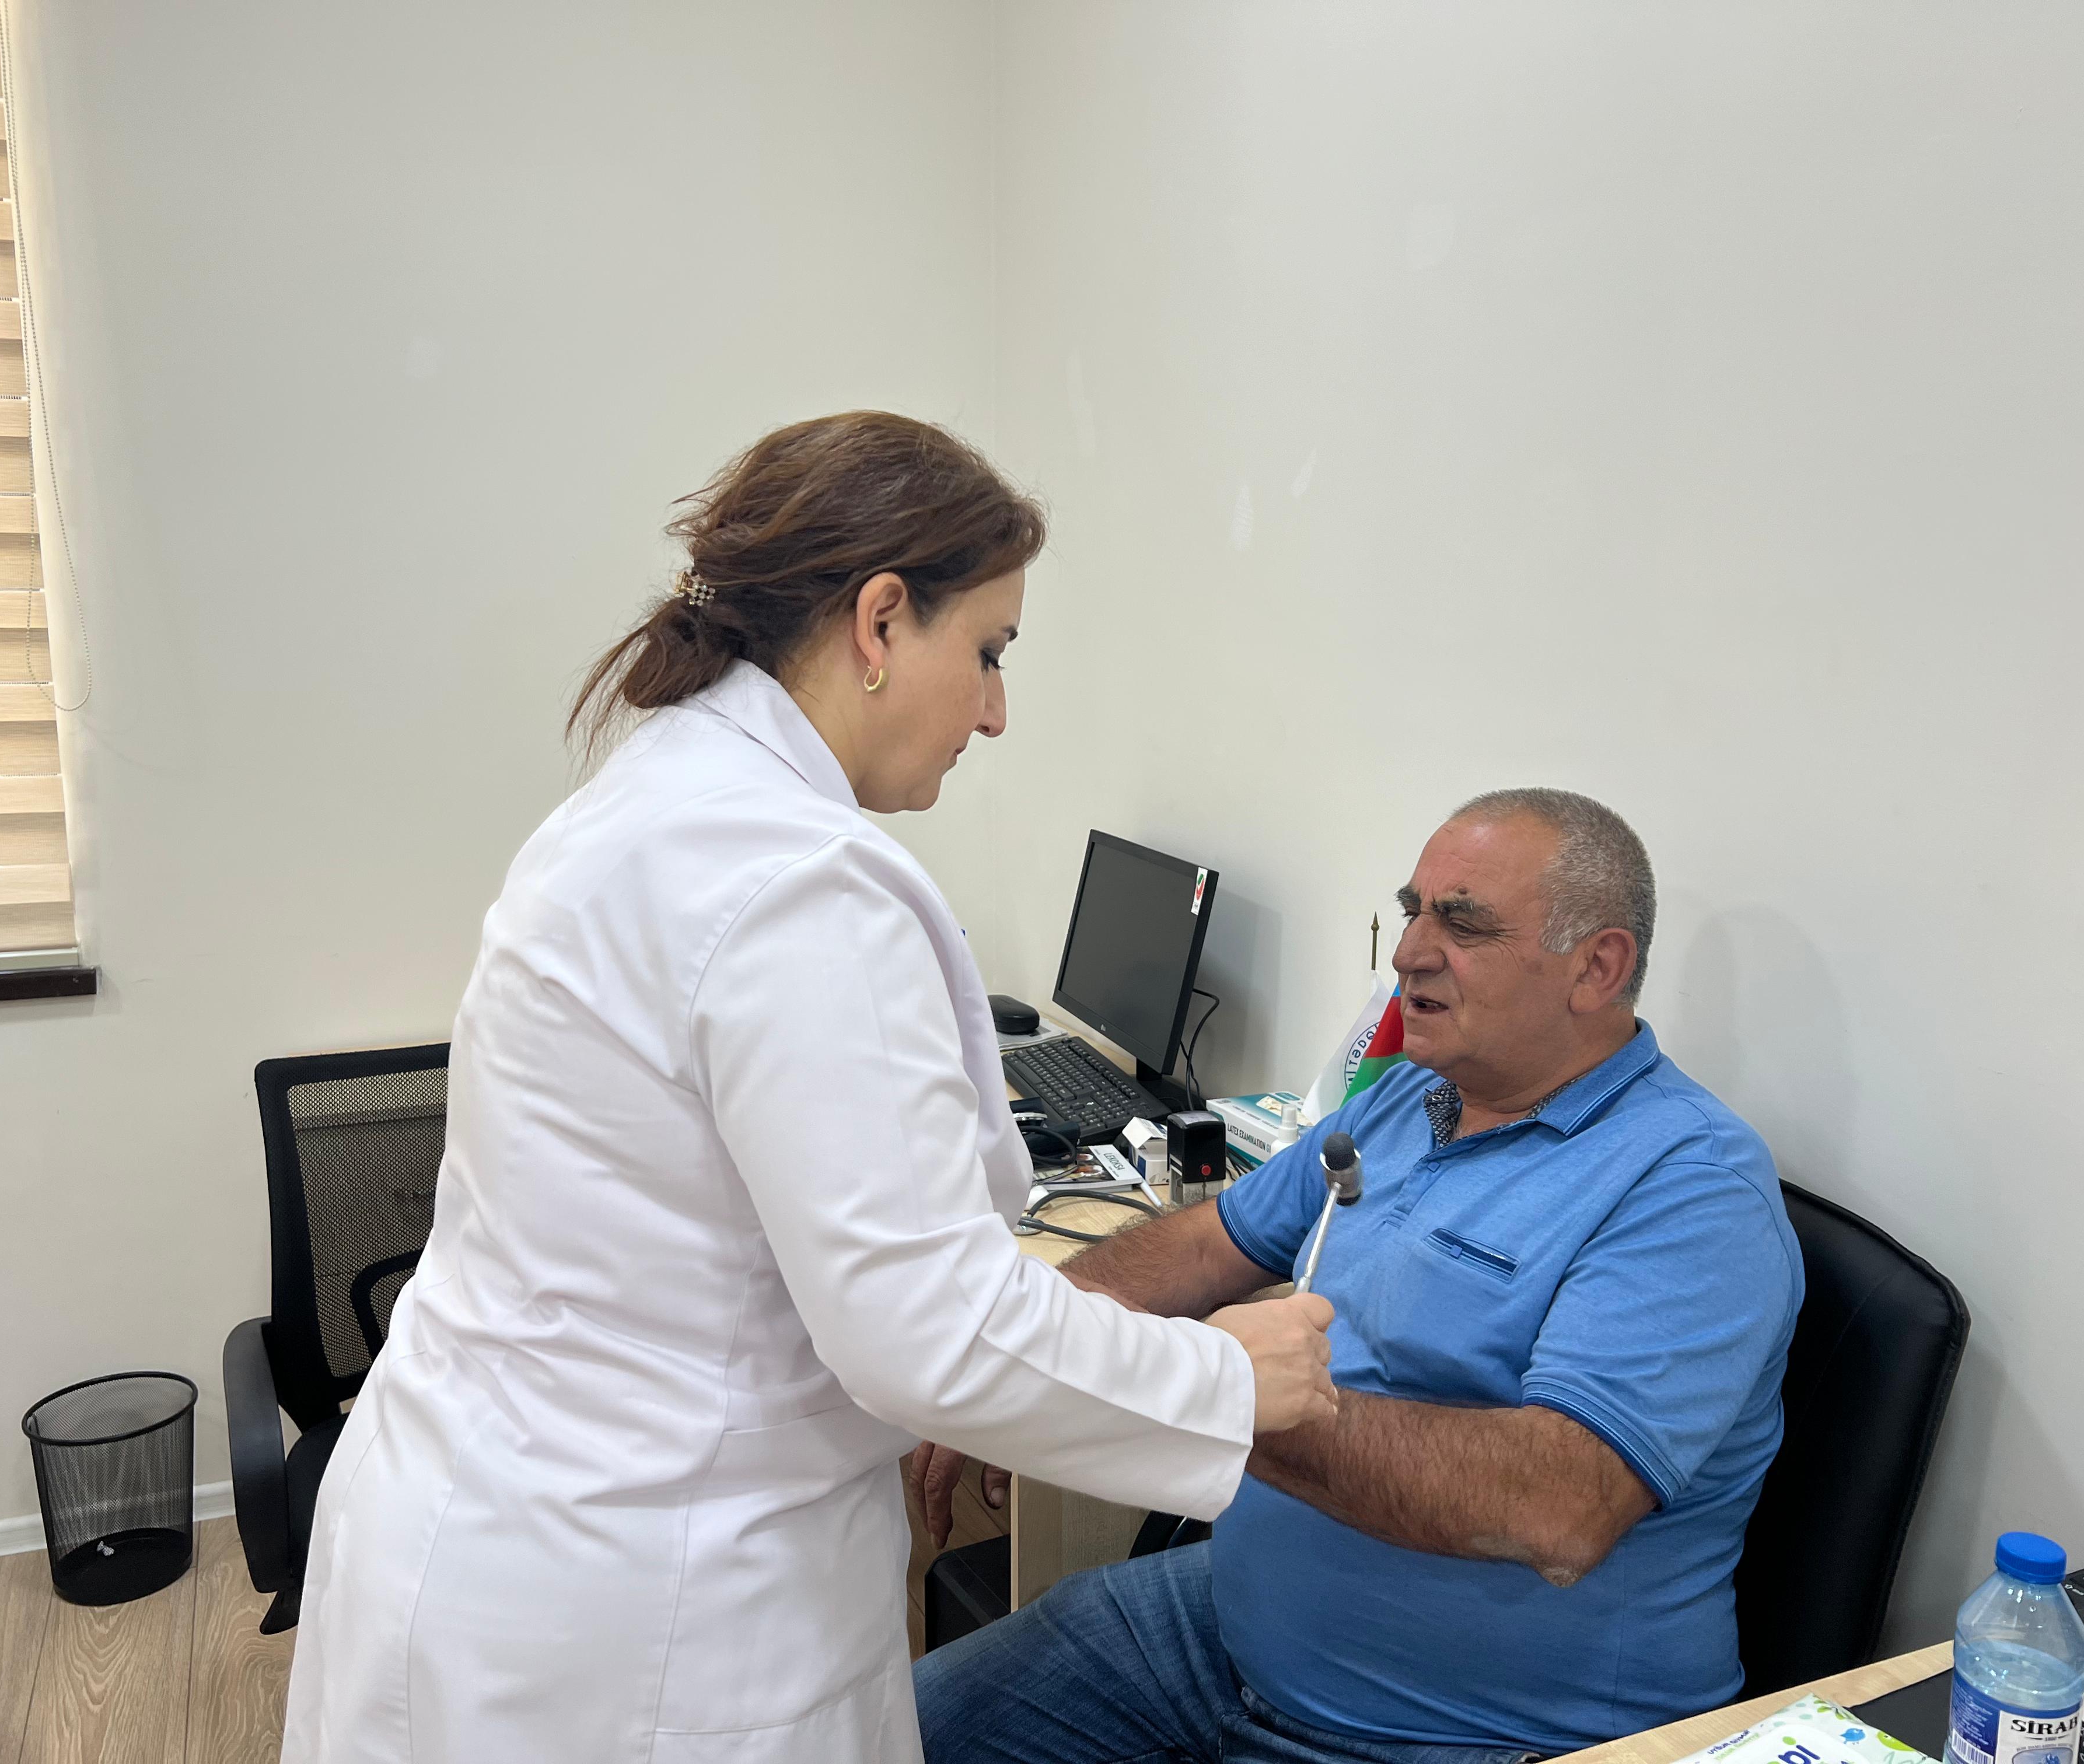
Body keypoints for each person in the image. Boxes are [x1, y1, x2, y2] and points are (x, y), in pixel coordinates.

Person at [279, 412, 1338, 1764]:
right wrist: (1221, 1377)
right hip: (647, 1602)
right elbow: (924, 1329)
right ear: (883, 621)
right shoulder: (795, 880)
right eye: (992, 652)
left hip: (495, 1521)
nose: (1000, 710)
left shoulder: (655, 796)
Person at [914, 788, 1805, 1764]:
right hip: (1218, 1630)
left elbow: (1556, 1508)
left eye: (1461, 924)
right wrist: (1023, 1333)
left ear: (1596, 967)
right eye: (1414, 909)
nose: (1410, 952)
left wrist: (1168, 1388)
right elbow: (1214, 1240)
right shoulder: (1419, 1093)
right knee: (889, 1734)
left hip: (1458, 1733)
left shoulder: (1690, 1189)